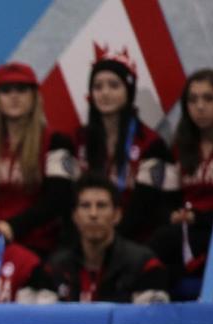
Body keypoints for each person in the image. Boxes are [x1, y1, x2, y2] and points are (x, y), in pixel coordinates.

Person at [0, 62, 74, 260]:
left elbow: (58, 199)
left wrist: (13, 226)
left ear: (34, 96)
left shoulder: (56, 142)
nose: (14, 96)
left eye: (22, 89)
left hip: (41, 245)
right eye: (6, 90)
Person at [74, 45, 178, 243]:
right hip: (87, 241)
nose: (105, 93)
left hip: (135, 243)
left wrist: (108, 243)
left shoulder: (151, 143)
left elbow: (144, 209)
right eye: (98, 86)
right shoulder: (81, 139)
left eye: (114, 85)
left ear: (128, 91)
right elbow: (72, 200)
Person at [150, 69, 213, 300]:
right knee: (160, 242)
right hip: (190, 230)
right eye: (193, 100)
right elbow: (167, 200)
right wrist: (177, 215)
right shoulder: (180, 146)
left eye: (208, 98)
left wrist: (201, 217)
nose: (200, 107)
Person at [49, 173, 168, 303]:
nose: (93, 214)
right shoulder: (56, 267)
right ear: (75, 216)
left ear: (117, 215)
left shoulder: (144, 265)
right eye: (85, 206)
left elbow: (150, 319)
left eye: (101, 205)